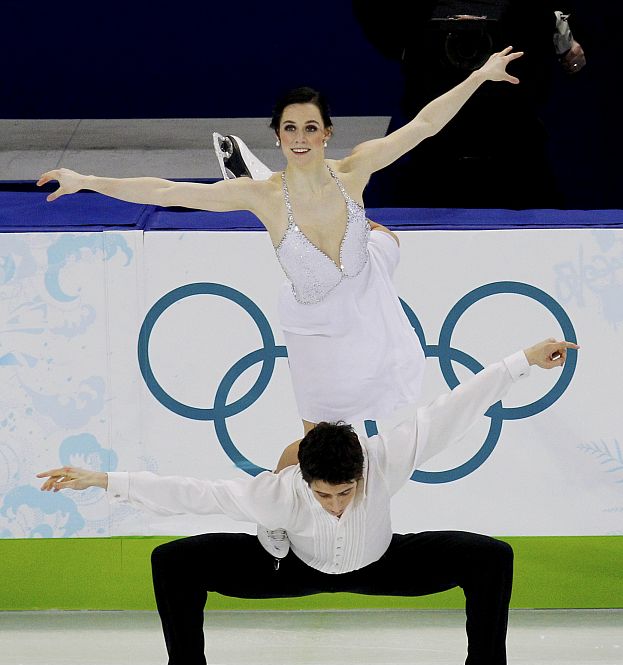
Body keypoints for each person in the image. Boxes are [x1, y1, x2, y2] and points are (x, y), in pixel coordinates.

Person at [37, 337, 578, 665]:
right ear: (304, 480)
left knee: (490, 557)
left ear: (362, 472)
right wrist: (104, 480)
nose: (336, 504)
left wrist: (523, 361)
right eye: (324, 495)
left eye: (346, 492)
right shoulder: (279, 492)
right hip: (289, 565)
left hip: (381, 561)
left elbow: (452, 411)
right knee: (174, 561)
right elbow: (196, 493)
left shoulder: (384, 460)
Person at [37, 47, 522, 436]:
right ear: (278, 136)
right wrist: (87, 180)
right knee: (319, 441)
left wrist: (479, 76)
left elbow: (424, 125)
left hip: (367, 283)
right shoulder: (263, 199)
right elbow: (167, 191)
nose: (300, 137)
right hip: (315, 324)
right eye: (290, 128)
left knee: (385, 240)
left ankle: (363, 227)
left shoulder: (354, 170)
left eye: (311, 128)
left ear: (327, 133)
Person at [353, 1, 586, 208]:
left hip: (515, 138)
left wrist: (563, 37)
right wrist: (408, 45)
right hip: (434, 149)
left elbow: (554, 17)